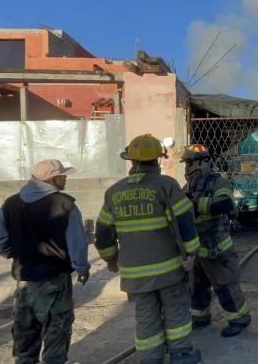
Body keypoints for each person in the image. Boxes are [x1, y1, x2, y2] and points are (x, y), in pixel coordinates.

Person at [95, 134, 202, 364]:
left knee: (145, 315)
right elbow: (184, 221)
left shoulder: (114, 192)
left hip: (136, 273)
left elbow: (103, 232)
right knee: (175, 310)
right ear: (157, 160)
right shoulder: (166, 186)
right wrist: (192, 253)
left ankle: (150, 357)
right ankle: (181, 354)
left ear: (132, 162)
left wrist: (110, 260)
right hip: (169, 269)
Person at [0, 159, 90, 364]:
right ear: (53, 179)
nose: (66, 177)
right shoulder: (65, 205)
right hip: (55, 280)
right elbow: (78, 243)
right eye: (63, 175)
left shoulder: (12, 203)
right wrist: (81, 268)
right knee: (56, 336)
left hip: (25, 281)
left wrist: (15, 253)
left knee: (26, 338)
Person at [181, 144, 251, 338]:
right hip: (197, 250)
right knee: (197, 287)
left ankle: (240, 319)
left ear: (203, 162)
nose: (186, 168)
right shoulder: (186, 187)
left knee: (225, 285)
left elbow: (224, 204)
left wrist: (195, 205)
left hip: (217, 248)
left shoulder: (218, 182)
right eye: (186, 163)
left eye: (189, 163)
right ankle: (200, 318)